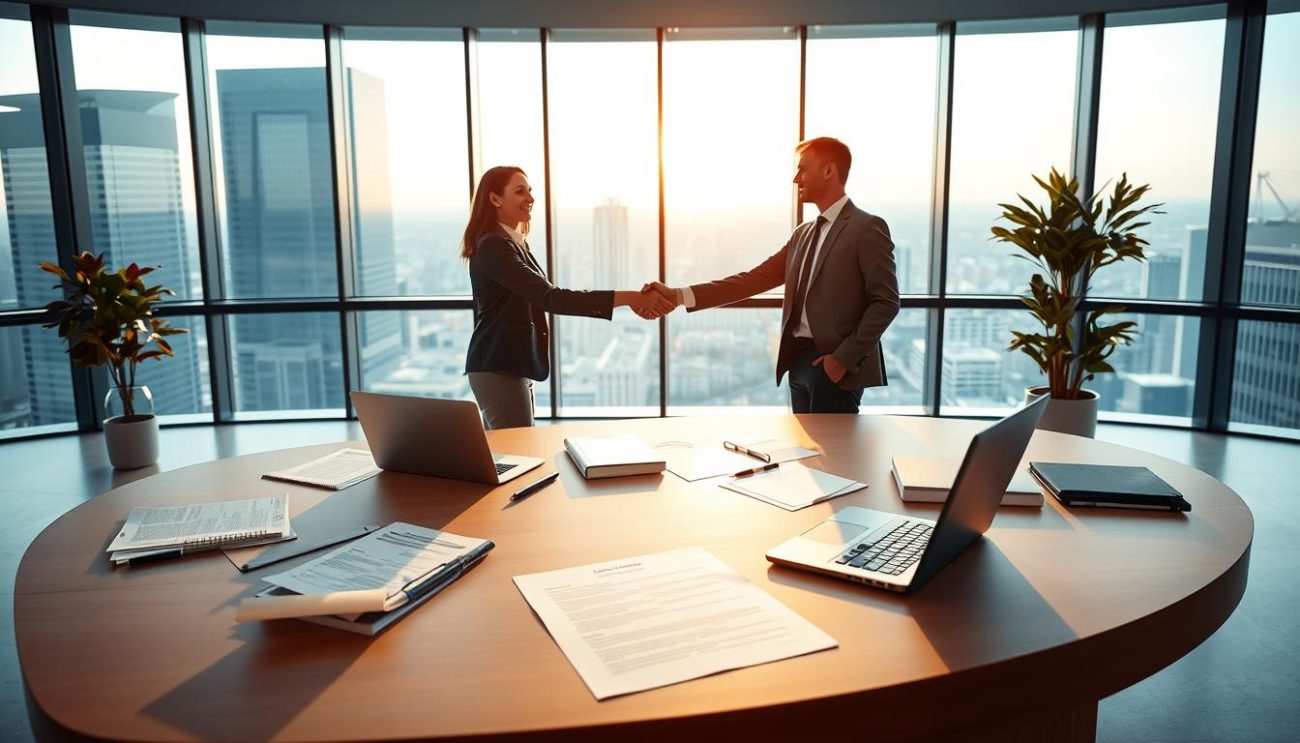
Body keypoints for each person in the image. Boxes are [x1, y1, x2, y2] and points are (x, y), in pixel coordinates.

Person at [645, 137, 900, 414]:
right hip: (799, 363)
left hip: (834, 368)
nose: (796, 178)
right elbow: (752, 280)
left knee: (836, 455)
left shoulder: (866, 228)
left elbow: (886, 302)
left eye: (803, 169)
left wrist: (841, 360)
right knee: (806, 453)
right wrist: (679, 295)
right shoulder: (802, 234)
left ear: (829, 171)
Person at [463, 166, 672, 429]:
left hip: (510, 364)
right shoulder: (494, 246)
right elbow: (551, 298)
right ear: (495, 199)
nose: (530, 198)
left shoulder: (513, 243)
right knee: (521, 453)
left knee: (512, 455)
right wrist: (630, 298)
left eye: (530, 191)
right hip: (498, 366)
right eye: (519, 191)